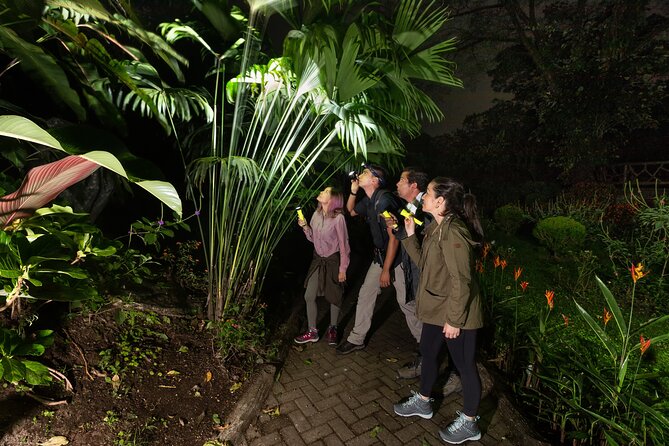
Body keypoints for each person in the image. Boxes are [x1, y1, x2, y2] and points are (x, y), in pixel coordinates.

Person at [392, 177, 485, 444]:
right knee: (429, 352)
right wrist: (410, 236)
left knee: (465, 366)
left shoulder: (454, 232)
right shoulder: (437, 227)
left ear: (440, 202)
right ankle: (423, 402)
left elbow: (462, 281)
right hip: (439, 309)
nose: (423, 197)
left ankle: (470, 423)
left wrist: (454, 320)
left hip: (458, 314)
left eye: (428, 193)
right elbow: (426, 264)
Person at [336, 163, 419, 354]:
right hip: (380, 256)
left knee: (405, 302)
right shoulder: (369, 199)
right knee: (365, 294)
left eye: (365, 173)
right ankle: (357, 339)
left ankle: (426, 343)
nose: (360, 174)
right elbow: (350, 211)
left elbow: (394, 239)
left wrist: (386, 270)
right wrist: (353, 191)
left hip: (397, 258)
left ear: (375, 180)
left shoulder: (383, 201)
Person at [294, 186, 350, 346]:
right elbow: (313, 239)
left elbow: (344, 244)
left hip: (333, 260)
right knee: (309, 296)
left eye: (326, 192)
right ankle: (312, 331)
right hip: (318, 259)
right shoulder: (316, 214)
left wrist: (343, 268)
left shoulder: (339, 219)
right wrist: (305, 227)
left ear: (333, 200)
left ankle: (333, 328)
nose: (321, 192)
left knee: (334, 295)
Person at [392, 167, 430, 379]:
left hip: (422, 269)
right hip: (410, 265)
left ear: (413, 185)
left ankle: (426, 360)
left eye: (401, 180)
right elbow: (405, 232)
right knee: (408, 305)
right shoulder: (409, 206)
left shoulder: (426, 207)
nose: (397, 183)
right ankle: (423, 350)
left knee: (421, 311)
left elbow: (423, 234)